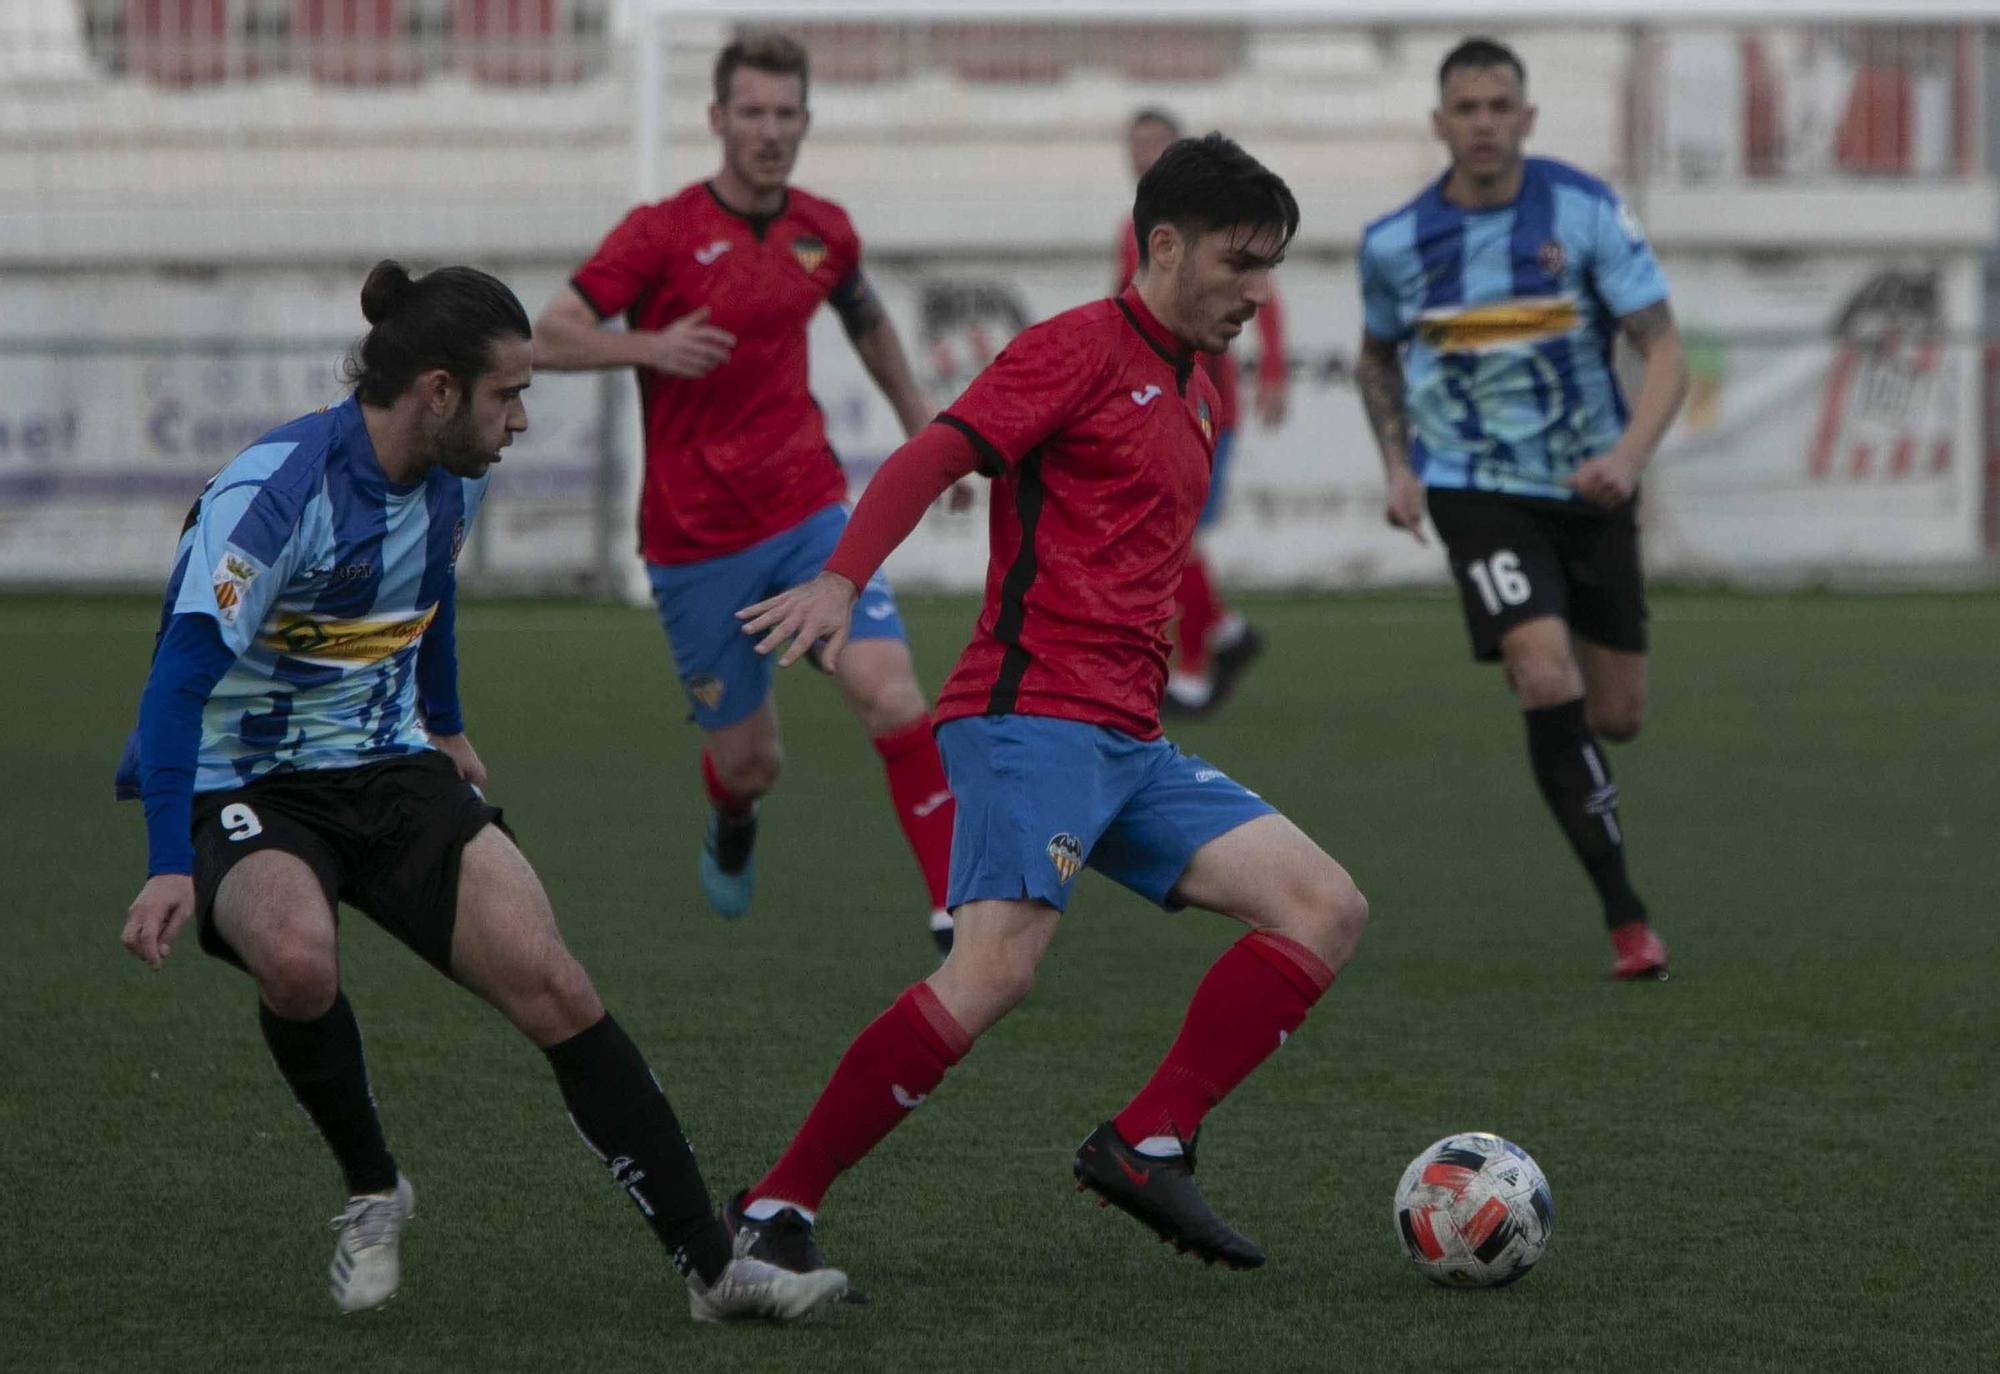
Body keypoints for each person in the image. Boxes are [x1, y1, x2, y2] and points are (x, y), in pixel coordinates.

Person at [112, 261, 847, 1324]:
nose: (520, 422)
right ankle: (374, 1191)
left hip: (389, 766)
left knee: (553, 981)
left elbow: (430, 591)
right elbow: (176, 681)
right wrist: (167, 863)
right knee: (297, 959)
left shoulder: (454, 474)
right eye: (509, 395)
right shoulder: (275, 496)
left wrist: (446, 721)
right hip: (245, 781)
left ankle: (711, 1266)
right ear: (439, 391)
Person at [725, 134, 1367, 1282]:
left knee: (1322, 906)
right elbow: (934, 454)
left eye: (1270, 266)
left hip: (1129, 738)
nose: (1257, 292)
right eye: (1239, 262)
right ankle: (775, 1209)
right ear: (1161, 246)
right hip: (1030, 717)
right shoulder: (1073, 347)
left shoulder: (1197, 387)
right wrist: (840, 577)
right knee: (993, 972)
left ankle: (1146, 1140)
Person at [533, 33, 959, 953]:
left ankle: (954, 905)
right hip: (694, 542)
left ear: (807, 120)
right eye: (753, 113)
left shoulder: (824, 230)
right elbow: (549, 334)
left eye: (786, 113)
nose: (770, 131)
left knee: (890, 692)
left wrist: (926, 424)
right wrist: (648, 347)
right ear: (718, 120)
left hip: (807, 511)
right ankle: (732, 817)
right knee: (751, 762)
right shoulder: (660, 232)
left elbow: (867, 320)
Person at [1354, 37, 1688, 980]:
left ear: (1527, 118)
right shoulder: (1395, 244)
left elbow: (1664, 350)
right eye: (1467, 109)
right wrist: (1398, 466)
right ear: (1440, 123)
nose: (1485, 124)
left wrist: (1628, 456)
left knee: (1615, 714)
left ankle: (1575, 760)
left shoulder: (1581, 213)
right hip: (1475, 490)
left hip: (1590, 488)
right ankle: (1627, 918)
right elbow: (1375, 358)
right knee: (1544, 674)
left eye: (1501, 106)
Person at [1116, 107, 1289, 719]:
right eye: (1137, 147)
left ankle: (1193, 666)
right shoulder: (1133, 231)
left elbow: (1262, 293)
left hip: (1207, 406)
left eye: (1157, 146)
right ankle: (1225, 632)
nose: (1145, 157)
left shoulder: (1217, 226)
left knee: (1179, 535)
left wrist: (1271, 368)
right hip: (1158, 401)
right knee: (1176, 534)